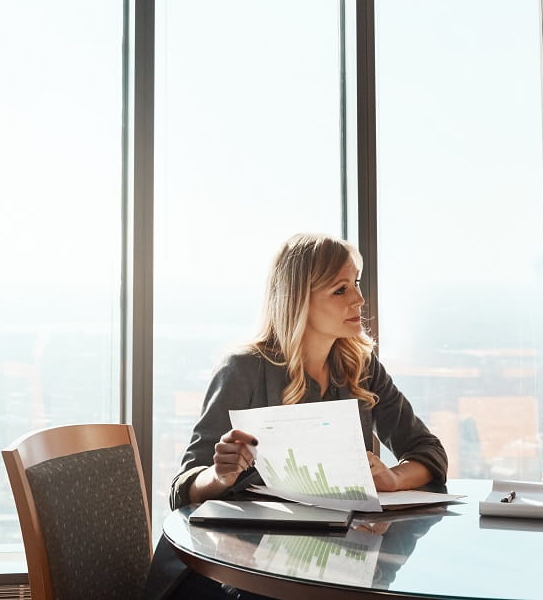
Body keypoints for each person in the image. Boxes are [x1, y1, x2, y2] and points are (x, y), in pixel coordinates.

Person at [150, 233, 448, 599]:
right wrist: (219, 475)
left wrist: (393, 478)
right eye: (340, 290)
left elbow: (429, 452)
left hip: (328, 562)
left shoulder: (360, 367)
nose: (359, 298)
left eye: (355, 283)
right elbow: (184, 491)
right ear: (299, 300)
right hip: (231, 574)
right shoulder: (243, 369)